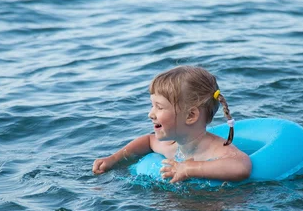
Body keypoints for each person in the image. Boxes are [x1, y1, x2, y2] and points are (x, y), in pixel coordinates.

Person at [92, 66, 252, 182]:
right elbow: (148, 141)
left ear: (190, 115)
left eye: (159, 107)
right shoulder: (171, 146)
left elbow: (241, 166)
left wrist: (189, 169)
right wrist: (113, 159)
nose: (150, 114)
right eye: (152, 105)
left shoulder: (215, 149)